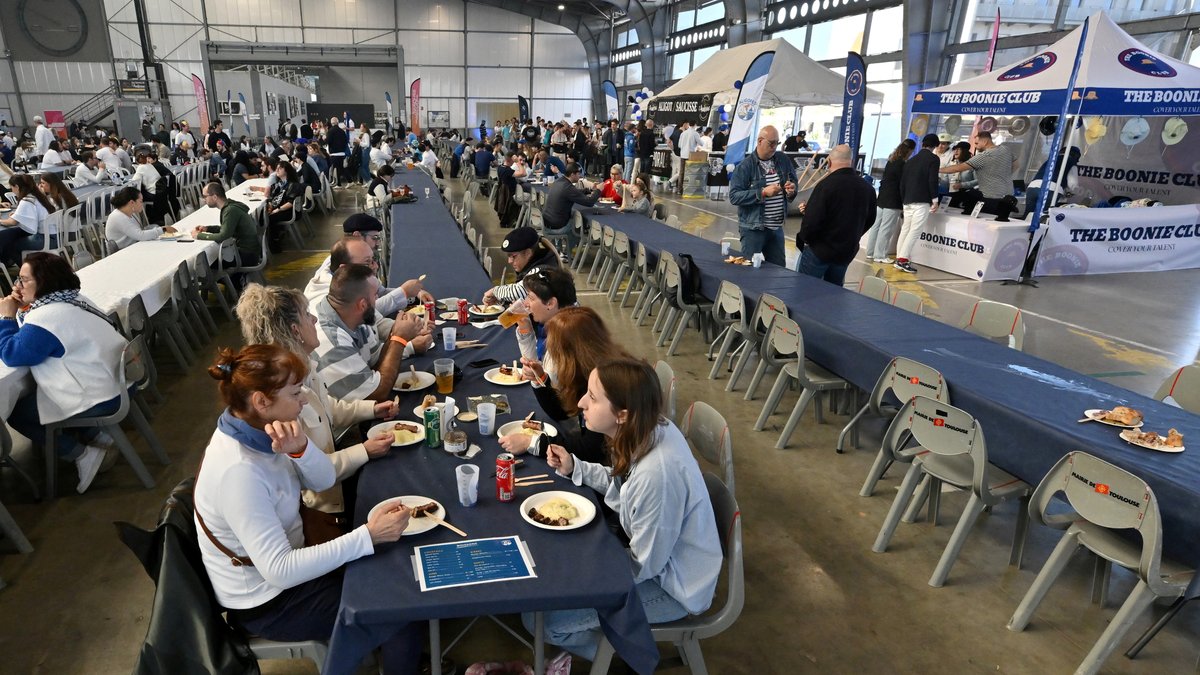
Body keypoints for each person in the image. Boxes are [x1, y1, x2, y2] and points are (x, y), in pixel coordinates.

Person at [195, 344, 420, 673]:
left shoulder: (262, 427)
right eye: (296, 392)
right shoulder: (239, 472)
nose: (304, 400)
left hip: (294, 564)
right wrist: (367, 536)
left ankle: (399, 654)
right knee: (396, 608)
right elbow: (280, 570)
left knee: (393, 569)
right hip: (270, 601)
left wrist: (301, 449)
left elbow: (323, 478)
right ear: (261, 401)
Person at [528, 358, 721, 659]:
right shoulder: (646, 429)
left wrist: (582, 575)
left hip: (673, 588)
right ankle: (606, 638)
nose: (581, 403)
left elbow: (646, 564)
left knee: (545, 621)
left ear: (623, 414)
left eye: (592, 398)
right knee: (548, 588)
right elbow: (625, 485)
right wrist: (575, 466)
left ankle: (618, 659)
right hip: (653, 561)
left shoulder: (658, 475)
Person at [236, 284, 400, 521]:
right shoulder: (279, 397)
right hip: (325, 507)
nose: (315, 319)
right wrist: (364, 451)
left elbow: (326, 408)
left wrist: (371, 409)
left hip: (339, 474)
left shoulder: (302, 364)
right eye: (307, 315)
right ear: (295, 330)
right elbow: (310, 473)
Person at [0, 253, 125, 494]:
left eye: (23, 280)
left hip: (103, 396)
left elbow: (13, 353)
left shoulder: (47, 317)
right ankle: (95, 434)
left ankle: (82, 454)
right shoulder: (73, 298)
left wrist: (6, 317)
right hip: (117, 380)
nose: (17, 286)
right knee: (40, 395)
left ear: (44, 282)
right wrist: (21, 306)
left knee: (18, 412)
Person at [502, 303, 621, 466]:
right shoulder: (586, 371)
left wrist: (532, 443)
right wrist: (540, 378)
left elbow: (591, 450)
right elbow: (562, 412)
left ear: (572, 354)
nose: (550, 356)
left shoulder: (606, 384)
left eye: (554, 351)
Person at [312, 264, 430, 401]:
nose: (377, 301)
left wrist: (398, 335)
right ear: (362, 305)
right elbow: (376, 394)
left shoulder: (353, 317)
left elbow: (376, 362)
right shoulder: (331, 341)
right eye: (375, 296)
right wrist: (399, 339)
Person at [795, 145, 877, 286]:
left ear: (830, 162)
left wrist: (803, 239)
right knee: (834, 295)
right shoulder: (867, 188)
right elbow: (870, 219)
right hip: (845, 252)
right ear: (851, 162)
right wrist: (852, 237)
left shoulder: (825, 186)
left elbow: (812, 221)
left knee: (804, 292)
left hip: (819, 251)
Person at [305, 233, 428, 316]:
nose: (375, 266)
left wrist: (414, 294)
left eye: (373, 260)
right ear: (344, 269)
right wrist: (403, 292)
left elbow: (381, 291)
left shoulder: (349, 275)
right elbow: (366, 313)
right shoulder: (329, 296)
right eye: (367, 262)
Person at [728, 125, 799, 267]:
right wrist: (762, 193)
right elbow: (734, 196)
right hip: (753, 229)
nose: (774, 147)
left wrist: (791, 190)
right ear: (760, 141)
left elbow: (793, 182)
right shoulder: (745, 166)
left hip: (776, 228)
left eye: (777, 143)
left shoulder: (782, 160)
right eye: (771, 143)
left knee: (778, 270)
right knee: (749, 268)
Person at [894, 133, 942, 273]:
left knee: (905, 229)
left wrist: (904, 199)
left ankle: (899, 258)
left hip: (907, 200)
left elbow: (902, 183)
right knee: (914, 231)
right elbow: (932, 180)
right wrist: (935, 200)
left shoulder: (911, 160)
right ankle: (902, 260)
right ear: (936, 146)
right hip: (921, 201)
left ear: (922, 144)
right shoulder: (933, 159)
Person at [482, 226, 562, 305]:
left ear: (528, 253)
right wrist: (499, 299)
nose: (509, 261)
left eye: (513, 256)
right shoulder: (539, 262)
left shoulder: (543, 270)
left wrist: (495, 291)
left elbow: (520, 291)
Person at [865, 139, 914, 264]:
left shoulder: (891, 161)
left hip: (882, 197)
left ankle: (870, 252)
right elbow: (903, 184)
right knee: (886, 228)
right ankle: (880, 255)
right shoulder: (903, 165)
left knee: (876, 226)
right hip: (893, 200)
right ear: (910, 151)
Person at [192, 181, 259, 266]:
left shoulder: (230, 210)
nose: (204, 200)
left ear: (215, 197)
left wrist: (199, 236)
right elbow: (227, 229)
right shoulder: (231, 206)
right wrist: (207, 228)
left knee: (205, 264)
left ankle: (233, 279)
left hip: (247, 255)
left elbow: (223, 236)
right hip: (251, 251)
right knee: (211, 259)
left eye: (205, 196)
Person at [939, 130, 1016, 200]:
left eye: (976, 143)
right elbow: (1016, 164)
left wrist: (937, 169)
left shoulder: (983, 156)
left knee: (986, 215)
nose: (975, 146)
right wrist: (1003, 175)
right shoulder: (1005, 149)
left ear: (985, 141)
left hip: (990, 196)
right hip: (1008, 195)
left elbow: (957, 168)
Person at [542, 162, 598, 254]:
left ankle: (560, 249)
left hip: (547, 222)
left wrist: (589, 190)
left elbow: (574, 192)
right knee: (579, 225)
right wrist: (598, 190)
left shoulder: (559, 182)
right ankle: (567, 252)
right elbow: (590, 202)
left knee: (575, 217)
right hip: (556, 226)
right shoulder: (567, 187)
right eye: (578, 173)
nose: (579, 176)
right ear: (572, 174)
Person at [0, 175, 56, 264]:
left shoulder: (27, 200)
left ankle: (29, 272)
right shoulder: (37, 196)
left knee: (11, 246)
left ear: (17, 187)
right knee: (14, 237)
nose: (12, 191)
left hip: (46, 239)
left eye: (12, 188)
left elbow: (12, 222)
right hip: (55, 236)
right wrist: (17, 215)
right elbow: (34, 214)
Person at [105, 187, 175, 250]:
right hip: (124, 251)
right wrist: (163, 229)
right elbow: (140, 235)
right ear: (132, 202)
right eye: (140, 201)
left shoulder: (129, 213)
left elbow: (139, 232)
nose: (142, 204)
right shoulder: (118, 217)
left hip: (133, 245)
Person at [1024, 146, 1081, 218]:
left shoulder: (1051, 159)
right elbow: (1072, 184)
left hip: (1032, 187)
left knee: (1028, 215)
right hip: (1051, 189)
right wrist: (1071, 192)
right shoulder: (1071, 162)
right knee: (1042, 217)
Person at [265, 160, 304, 253]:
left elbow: (290, 203)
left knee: (269, 218)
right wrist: (271, 206)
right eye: (277, 168)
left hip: (290, 211)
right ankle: (272, 240)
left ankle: (274, 245)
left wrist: (277, 210)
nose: (277, 170)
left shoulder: (293, 185)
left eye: (280, 168)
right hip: (282, 209)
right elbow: (273, 197)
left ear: (286, 171)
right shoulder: (279, 184)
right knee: (264, 215)